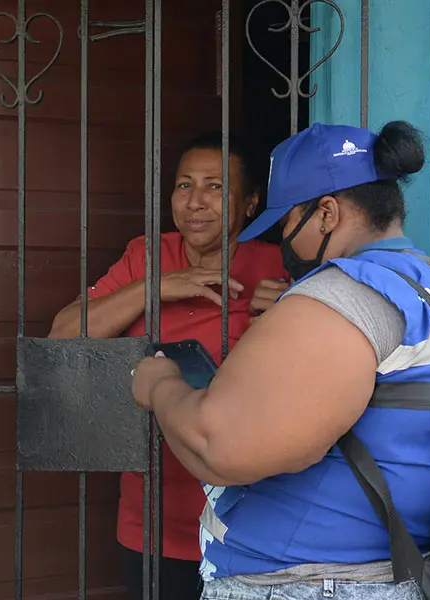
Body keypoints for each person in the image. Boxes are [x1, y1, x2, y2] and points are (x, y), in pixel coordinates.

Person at [131, 121, 430, 599]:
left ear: (326, 214)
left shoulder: (344, 293)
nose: (284, 241)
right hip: (399, 571)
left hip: (314, 583)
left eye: (286, 222)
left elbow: (218, 448)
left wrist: (159, 385)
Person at [49, 131, 288, 599]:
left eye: (216, 187)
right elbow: (62, 337)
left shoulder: (278, 266)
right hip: (151, 515)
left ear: (251, 203)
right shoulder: (146, 256)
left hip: (250, 519)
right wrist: (154, 287)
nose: (196, 202)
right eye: (184, 185)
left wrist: (291, 307)